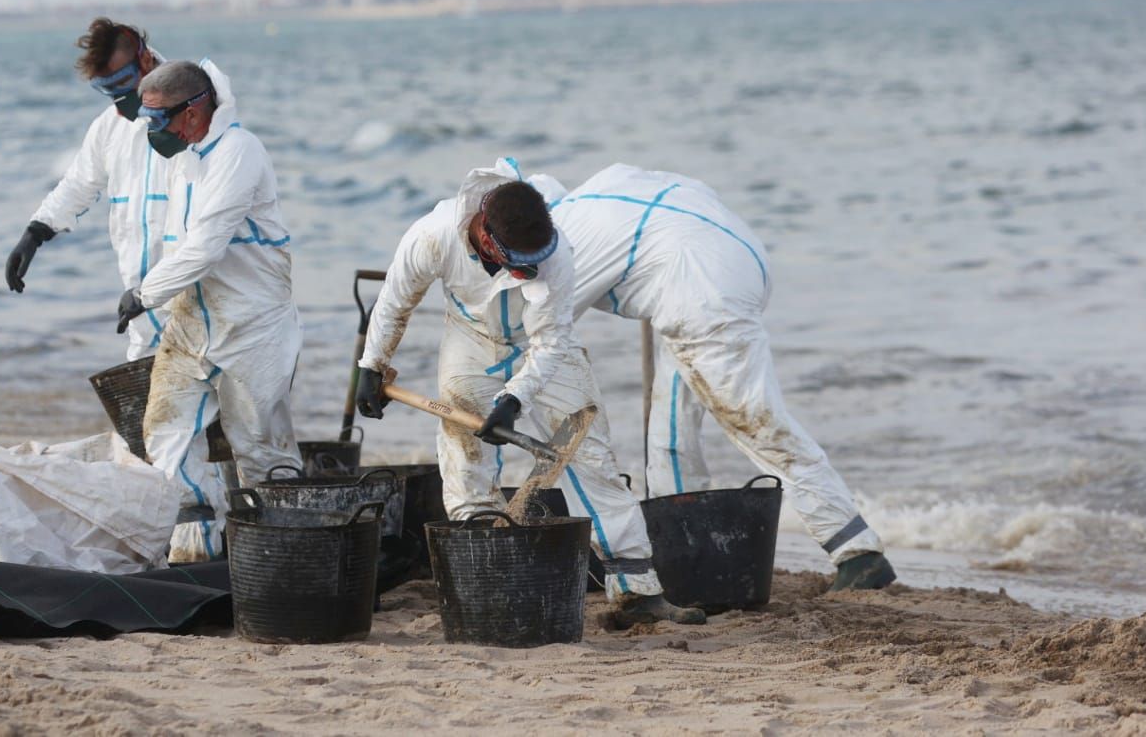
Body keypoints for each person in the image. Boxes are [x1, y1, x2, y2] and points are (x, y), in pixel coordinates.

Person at [352, 158, 703, 625]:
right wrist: (372, 367)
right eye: (516, 267)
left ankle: (636, 591)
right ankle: (485, 583)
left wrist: (515, 399)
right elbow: (396, 300)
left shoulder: (555, 255)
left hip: (542, 349)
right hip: (470, 341)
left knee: (592, 457)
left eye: (530, 267)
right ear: (483, 234)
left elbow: (552, 342)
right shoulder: (432, 235)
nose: (525, 274)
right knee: (465, 458)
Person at [545, 163, 895, 590]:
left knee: (755, 422)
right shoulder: (609, 184)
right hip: (731, 263)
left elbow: (544, 333)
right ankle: (679, 544)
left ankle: (856, 550)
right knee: (671, 431)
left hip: (702, 295)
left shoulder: (564, 238)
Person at [116, 59, 303, 562]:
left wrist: (143, 294)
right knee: (164, 432)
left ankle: (285, 556)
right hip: (193, 319)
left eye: (158, 119)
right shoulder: (185, 157)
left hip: (253, 323)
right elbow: (174, 241)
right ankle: (198, 546)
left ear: (194, 111)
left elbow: (205, 248)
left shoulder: (239, 152)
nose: (152, 130)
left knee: (260, 448)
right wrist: (155, 294)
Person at [3, 18, 171, 361]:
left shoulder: (197, 117)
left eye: (124, 82)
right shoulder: (109, 128)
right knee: (150, 413)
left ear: (146, 60)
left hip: (198, 311)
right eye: (107, 88)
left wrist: (153, 291)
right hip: (142, 316)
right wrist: (35, 232)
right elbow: (79, 183)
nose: (120, 97)